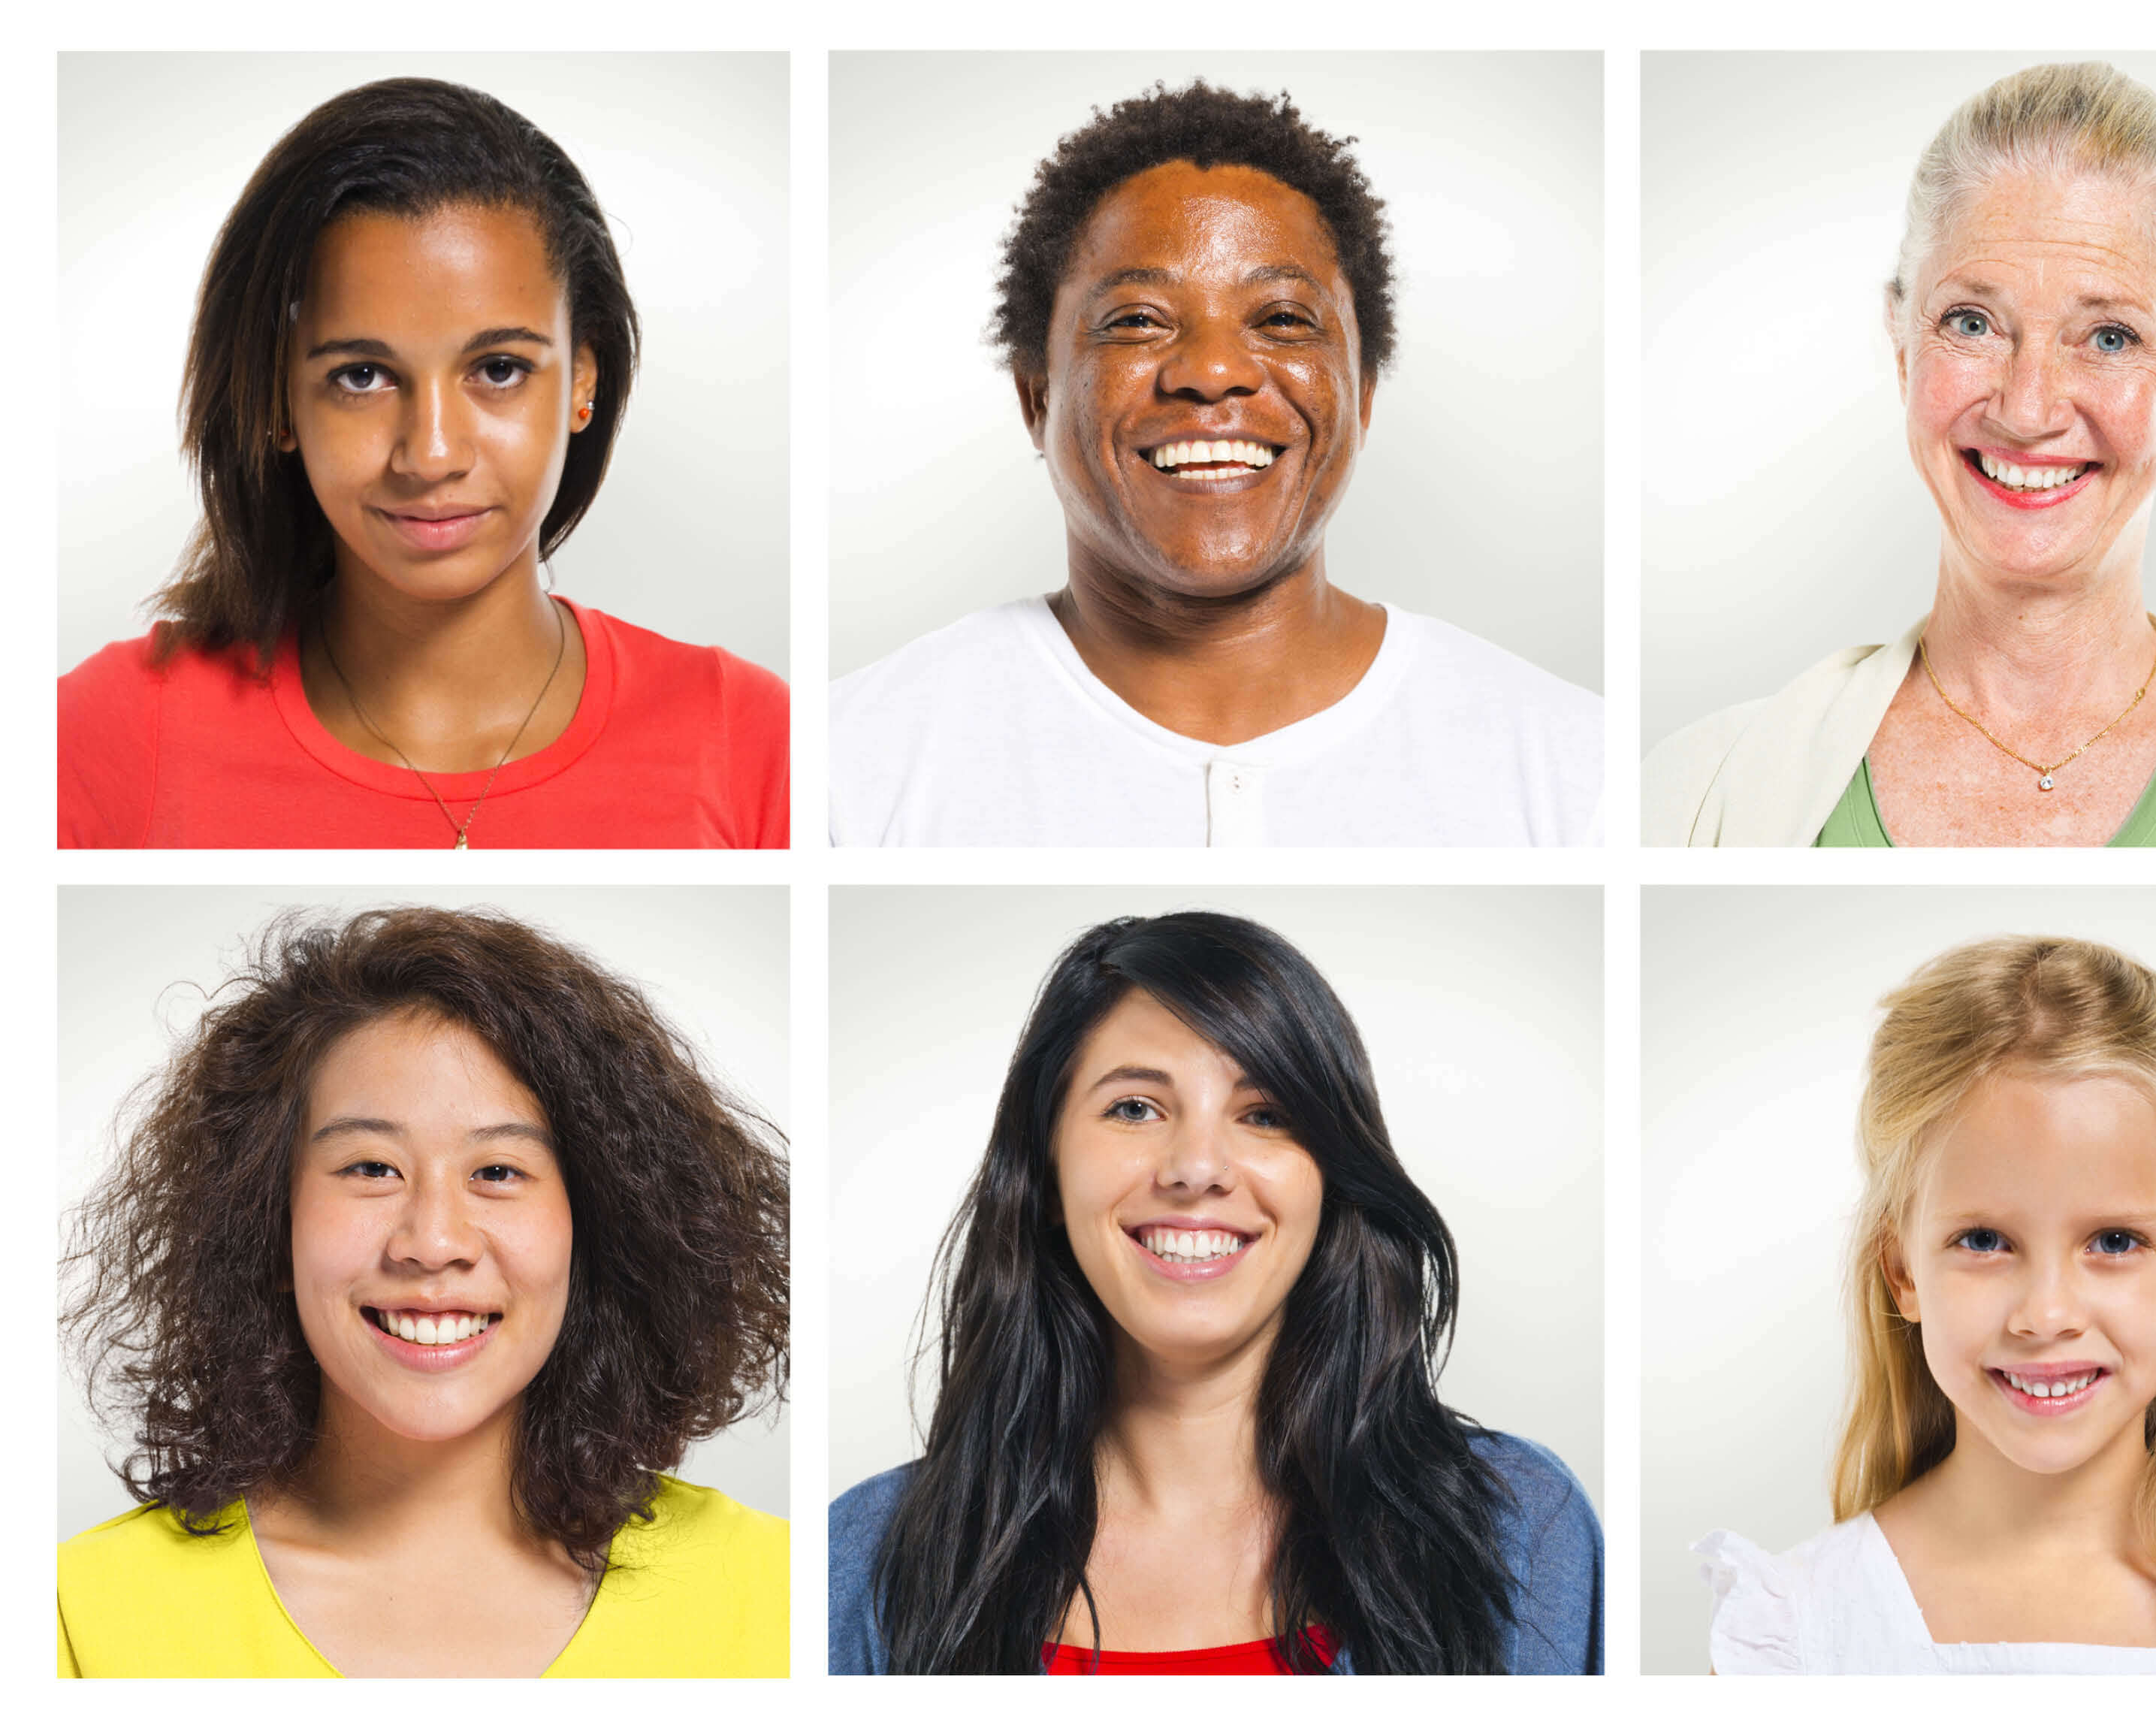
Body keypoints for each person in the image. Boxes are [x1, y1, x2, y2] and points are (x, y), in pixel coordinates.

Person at [1646, 63, 2156, 847]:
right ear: (1901, 347)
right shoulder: (1688, 795)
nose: (2027, 408)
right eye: (1972, 323)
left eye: (2110, 337)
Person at [828, 912, 1599, 1672]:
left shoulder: (1517, 1521)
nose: (1196, 1166)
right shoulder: (865, 1554)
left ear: (1328, 1178)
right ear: (1048, 1171)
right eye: (1134, 1107)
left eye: (1264, 1113)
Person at [833, 83, 1600, 847]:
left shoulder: (1574, 768)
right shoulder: (845, 766)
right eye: (1136, 320)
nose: (1212, 369)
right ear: (1036, 395)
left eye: (1282, 319)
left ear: (1361, 397)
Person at [60, 907, 791, 1675]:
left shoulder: (777, 1590)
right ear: (267, 1224)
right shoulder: (82, 1613)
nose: (435, 1242)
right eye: (371, 1167)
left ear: (599, 1228)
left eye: (499, 1171)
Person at [60, 79, 787, 849]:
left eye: (499, 369)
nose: (431, 455)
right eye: (362, 376)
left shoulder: (745, 737)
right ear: (278, 400)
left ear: (583, 380)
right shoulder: (114, 730)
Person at [1696, 936, 2156, 1672]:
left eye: (2115, 1240)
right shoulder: (1794, 1633)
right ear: (1901, 1271)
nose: (2047, 1312)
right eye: (1985, 1239)